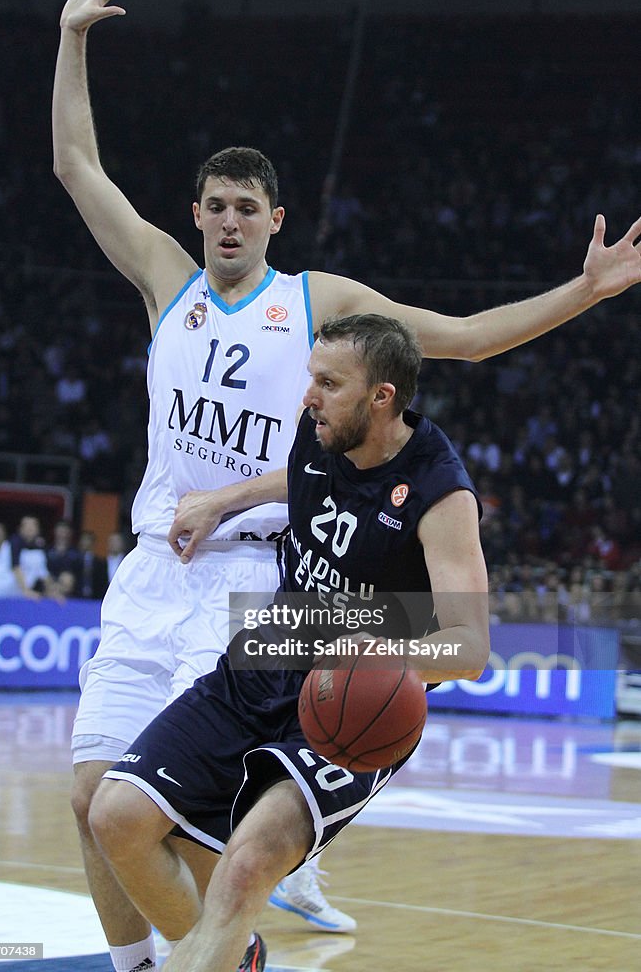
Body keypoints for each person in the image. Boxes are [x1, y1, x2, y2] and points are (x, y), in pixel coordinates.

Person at [52, 0, 641, 972]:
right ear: (195, 216)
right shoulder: (166, 282)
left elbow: (455, 337)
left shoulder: (313, 300)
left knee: (192, 826)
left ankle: (236, 936)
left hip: (252, 583)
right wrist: (69, 38)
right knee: (86, 800)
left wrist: (579, 295)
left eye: (247, 206)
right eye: (215, 205)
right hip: (152, 566)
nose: (229, 219)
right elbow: (75, 167)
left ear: (274, 219)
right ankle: (158, 963)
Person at [89, 314, 490, 972]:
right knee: (116, 815)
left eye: (328, 383)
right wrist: (226, 497)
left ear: (381, 396)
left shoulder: (439, 493)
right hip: (274, 643)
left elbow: (469, 648)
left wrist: (369, 648)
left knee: (244, 869)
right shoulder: (320, 428)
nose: (307, 396)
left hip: (355, 696)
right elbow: (297, 476)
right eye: (310, 377)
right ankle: (237, 956)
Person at [0, 515, 52, 600]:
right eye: (26, 525)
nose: (30, 528)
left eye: (33, 525)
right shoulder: (14, 542)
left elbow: (43, 572)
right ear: (20, 528)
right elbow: (16, 568)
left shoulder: (39, 548)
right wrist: (26, 590)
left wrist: (53, 591)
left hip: (14, 596)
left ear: (38, 529)